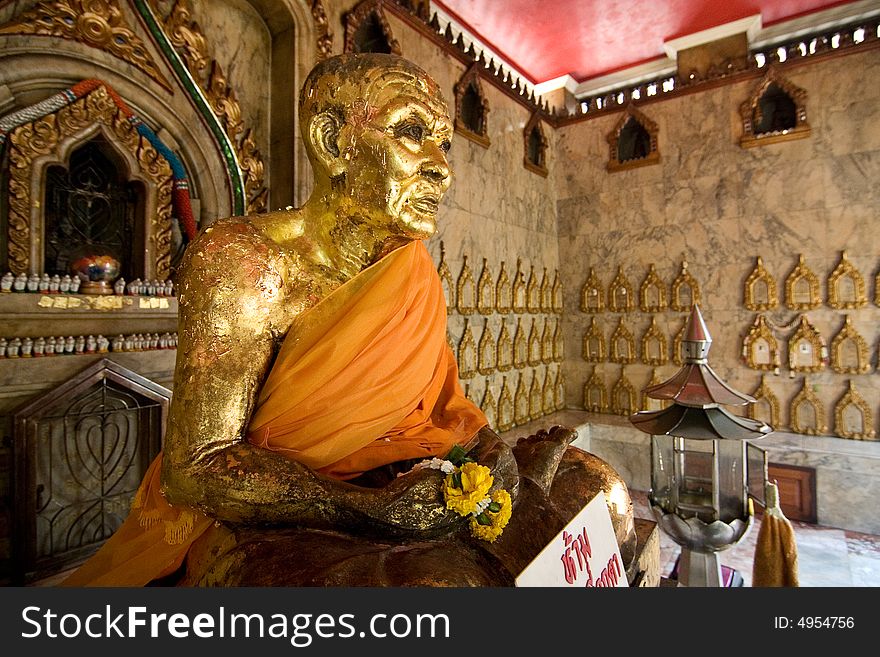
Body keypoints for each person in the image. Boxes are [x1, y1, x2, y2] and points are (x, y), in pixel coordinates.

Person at [64, 53, 635, 587]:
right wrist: (370, 511)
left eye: (442, 145)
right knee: (440, 584)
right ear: (333, 140)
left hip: (399, 480)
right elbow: (196, 469)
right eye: (411, 133)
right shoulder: (244, 262)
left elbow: (437, 409)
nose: (441, 170)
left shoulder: (407, 270)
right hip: (271, 516)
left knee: (599, 488)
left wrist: (491, 452)